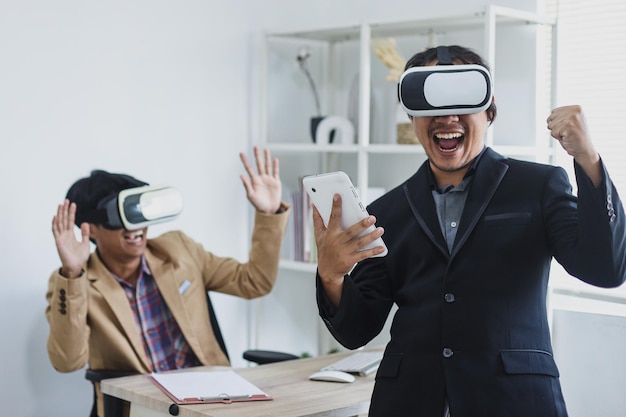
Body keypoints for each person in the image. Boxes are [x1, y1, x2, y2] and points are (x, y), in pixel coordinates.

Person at [313, 45, 626, 417]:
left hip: (515, 401)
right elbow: (356, 330)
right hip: (409, 403)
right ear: (413, 114)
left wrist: (587, 160)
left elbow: (605, 268)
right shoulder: (386, 212)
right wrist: (331, 276)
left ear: (489, 109)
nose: (447, 119)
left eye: (461, 102)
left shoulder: (538, 186)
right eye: (432, 105)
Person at [45, 147, 289, 417]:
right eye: (121, 216)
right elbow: (67, 361)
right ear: (90, 227)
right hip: (144, 408)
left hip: (209, 400)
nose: (136, 227)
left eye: (139, 211)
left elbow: (254, 282)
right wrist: (72, 274)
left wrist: (269, 214)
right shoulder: (75, 284)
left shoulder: (179, 250)